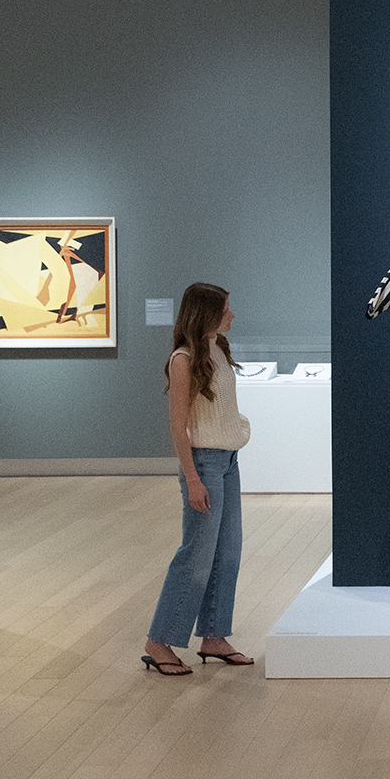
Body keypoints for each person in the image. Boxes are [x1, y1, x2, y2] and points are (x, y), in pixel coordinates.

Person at [142, 282, 254, 675]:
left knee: (228, 553)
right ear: (206, 313)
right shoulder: (183, 358)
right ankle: (159, 641)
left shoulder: (218, 350)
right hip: (204, 463)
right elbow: (178, 428)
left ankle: (214, 636)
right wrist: (192, 479)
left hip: (228, 460)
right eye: (226, 309)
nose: (232, 315)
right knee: (197, 557)